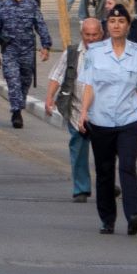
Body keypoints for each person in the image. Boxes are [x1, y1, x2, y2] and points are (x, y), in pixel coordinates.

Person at [77, 4, 137, 235]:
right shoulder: (95, 53)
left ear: (128, 26)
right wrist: (83, 112)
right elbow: (89, 85)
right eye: (112, 22)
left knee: (128, 166)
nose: (116, 25)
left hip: (129, 120)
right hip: (100, 120)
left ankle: (134, 214)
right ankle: (107, 219)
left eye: (121, 22)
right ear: (107, 25)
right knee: (104, 170)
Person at [49, 17, 104, 204]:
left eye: (94, 35)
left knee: (105, 152)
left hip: (102, 112)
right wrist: (49, 97)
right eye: (87, 35)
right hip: (76, 109)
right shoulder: (72, 53)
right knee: (78, 149)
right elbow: (57, 74)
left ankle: (107, 184)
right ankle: (81, 188)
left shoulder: (109, 53)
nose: (91, 39)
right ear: (82, 35)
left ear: (101, 34)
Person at [0, 0, 52, 128]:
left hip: (27, 51)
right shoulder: (2, 6)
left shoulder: (31, 5)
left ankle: (19, 104)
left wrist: (46, 45)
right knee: (13, 80)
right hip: (10, 50)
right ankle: (16, 113)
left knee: (24, 81)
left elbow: (40, 25)